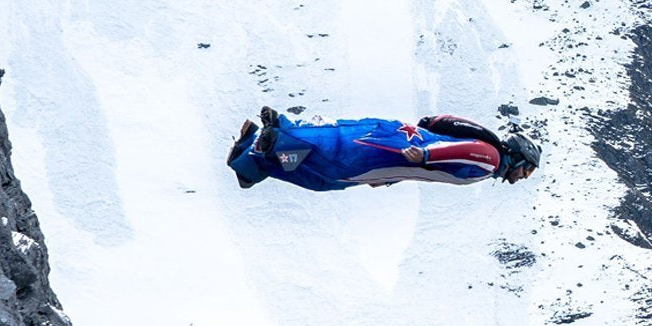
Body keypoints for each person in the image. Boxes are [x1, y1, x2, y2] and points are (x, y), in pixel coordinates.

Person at [226, 107, 540, 191]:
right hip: (399, 149)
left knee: (327, 175)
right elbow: (460, 151)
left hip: (396, 155)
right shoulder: (491, 158)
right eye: (526, 169)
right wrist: (427, 155)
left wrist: (393, 178)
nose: (523, 176)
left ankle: (253, 152)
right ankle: (275, 138)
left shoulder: (487, 165)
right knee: (332, 159)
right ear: (517, 156)